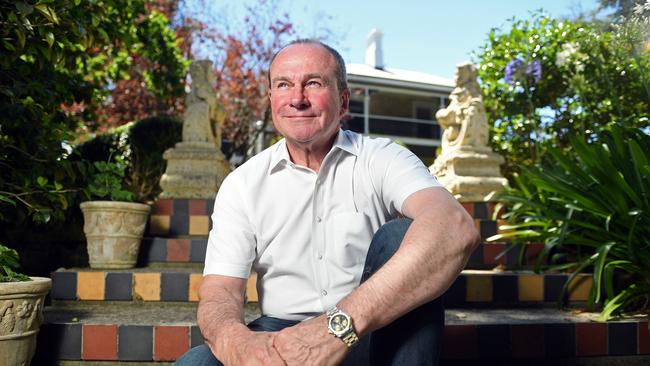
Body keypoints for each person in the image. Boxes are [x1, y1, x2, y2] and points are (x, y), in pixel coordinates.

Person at [174, 39, 480, 366]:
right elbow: (220, 290)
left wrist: (338, 328)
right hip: (281, 333)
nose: (297, 99)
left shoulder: (384, 157)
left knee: (403, 234)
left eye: (314, 83)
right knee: (197, 363)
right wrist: (237, 344)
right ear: (271, 99)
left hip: (371, 326)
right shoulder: (242, 183)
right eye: (283, 85)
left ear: (343, 100)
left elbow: (454, 228)